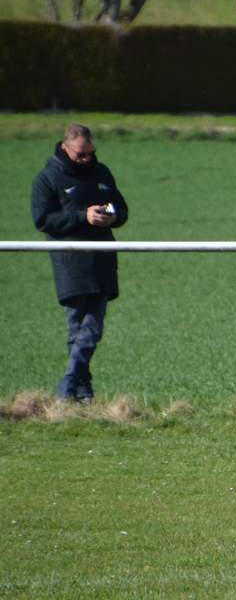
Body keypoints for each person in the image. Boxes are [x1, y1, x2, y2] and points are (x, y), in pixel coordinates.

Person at [31, 124, 129, 403]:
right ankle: (73, 387)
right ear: (65, 147)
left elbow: (121, 209)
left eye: (90, 153)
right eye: (80, 155)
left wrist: (111, 216)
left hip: (102, 259)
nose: (87, 159)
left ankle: (78, 391)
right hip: (70, 261)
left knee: (92, 327)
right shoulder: (47, 178)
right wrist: (82, 216)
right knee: (80, 328)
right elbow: (43, 220)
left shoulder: (102, 173)